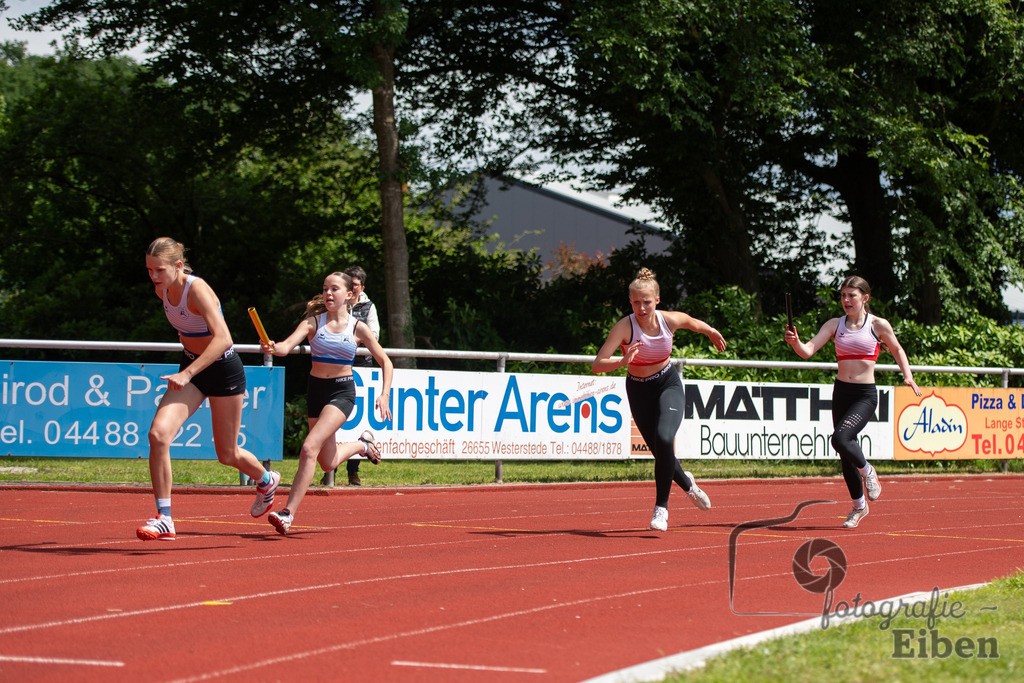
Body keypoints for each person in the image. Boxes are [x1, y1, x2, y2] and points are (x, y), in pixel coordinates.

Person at [138, 237, 281, 541]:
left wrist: (188, 372)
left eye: (159, 270)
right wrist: (189, 360)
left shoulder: (198, 289)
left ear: (178, 266)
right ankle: (164, 517)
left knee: (227, 454)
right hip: (193, 368)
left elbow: (224, 339)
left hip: (223, 370)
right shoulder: (161, 289)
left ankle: (266, 480)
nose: (153, 276)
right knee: (158, 435)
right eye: (149, 270)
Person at [592, 268, 727, 532]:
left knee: (665, 439)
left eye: (647, 302)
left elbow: (693, 323)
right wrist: (622, 361)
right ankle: (688, 484)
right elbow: (598, 364)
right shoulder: (624, 327)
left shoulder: (669, 320)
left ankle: (661, 509)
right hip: (639, 389)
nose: (641, 308)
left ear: (657, 300)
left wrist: (710, 331)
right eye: (636, 302)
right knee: (659, 451)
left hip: (667, 384)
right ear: (630, 302)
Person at [261, 271, 393, 535]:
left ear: (349, 295)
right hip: (316, 391)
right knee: (327, 462)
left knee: (309, 448)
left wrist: (384, 394)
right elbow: (286, 347)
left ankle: (287, 513)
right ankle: (362, 444)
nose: (328, 294)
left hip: (341, 393)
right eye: (325, 289)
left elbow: (386, 362)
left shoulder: (358, 328)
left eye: (334, 289)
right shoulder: (312, 323)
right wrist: (273, 347)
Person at [785, 275, 922, 528]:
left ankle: (869, 471)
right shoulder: (835, 324)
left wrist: (907, 376)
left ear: (865, 298)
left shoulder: (878, 325)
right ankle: (859, 507)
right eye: (843, 295)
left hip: (865, 395)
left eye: (852, 295)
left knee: (840, 439)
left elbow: (897, 349)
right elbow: (807, 351)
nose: (846, 300)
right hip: (842, 393)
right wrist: (796, 343)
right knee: (844, 454)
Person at [342, 265, 380, 486]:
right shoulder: (338, 302)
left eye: (354, 285)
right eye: (348, 284)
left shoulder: (369, 306)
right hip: (339, 363)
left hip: (361, 367)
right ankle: (330, 471)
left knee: (356, 423)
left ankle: (353, 471)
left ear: (361, 287)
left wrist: (352, 336)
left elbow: (374, 335)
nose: (351, 288)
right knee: (336, 421)